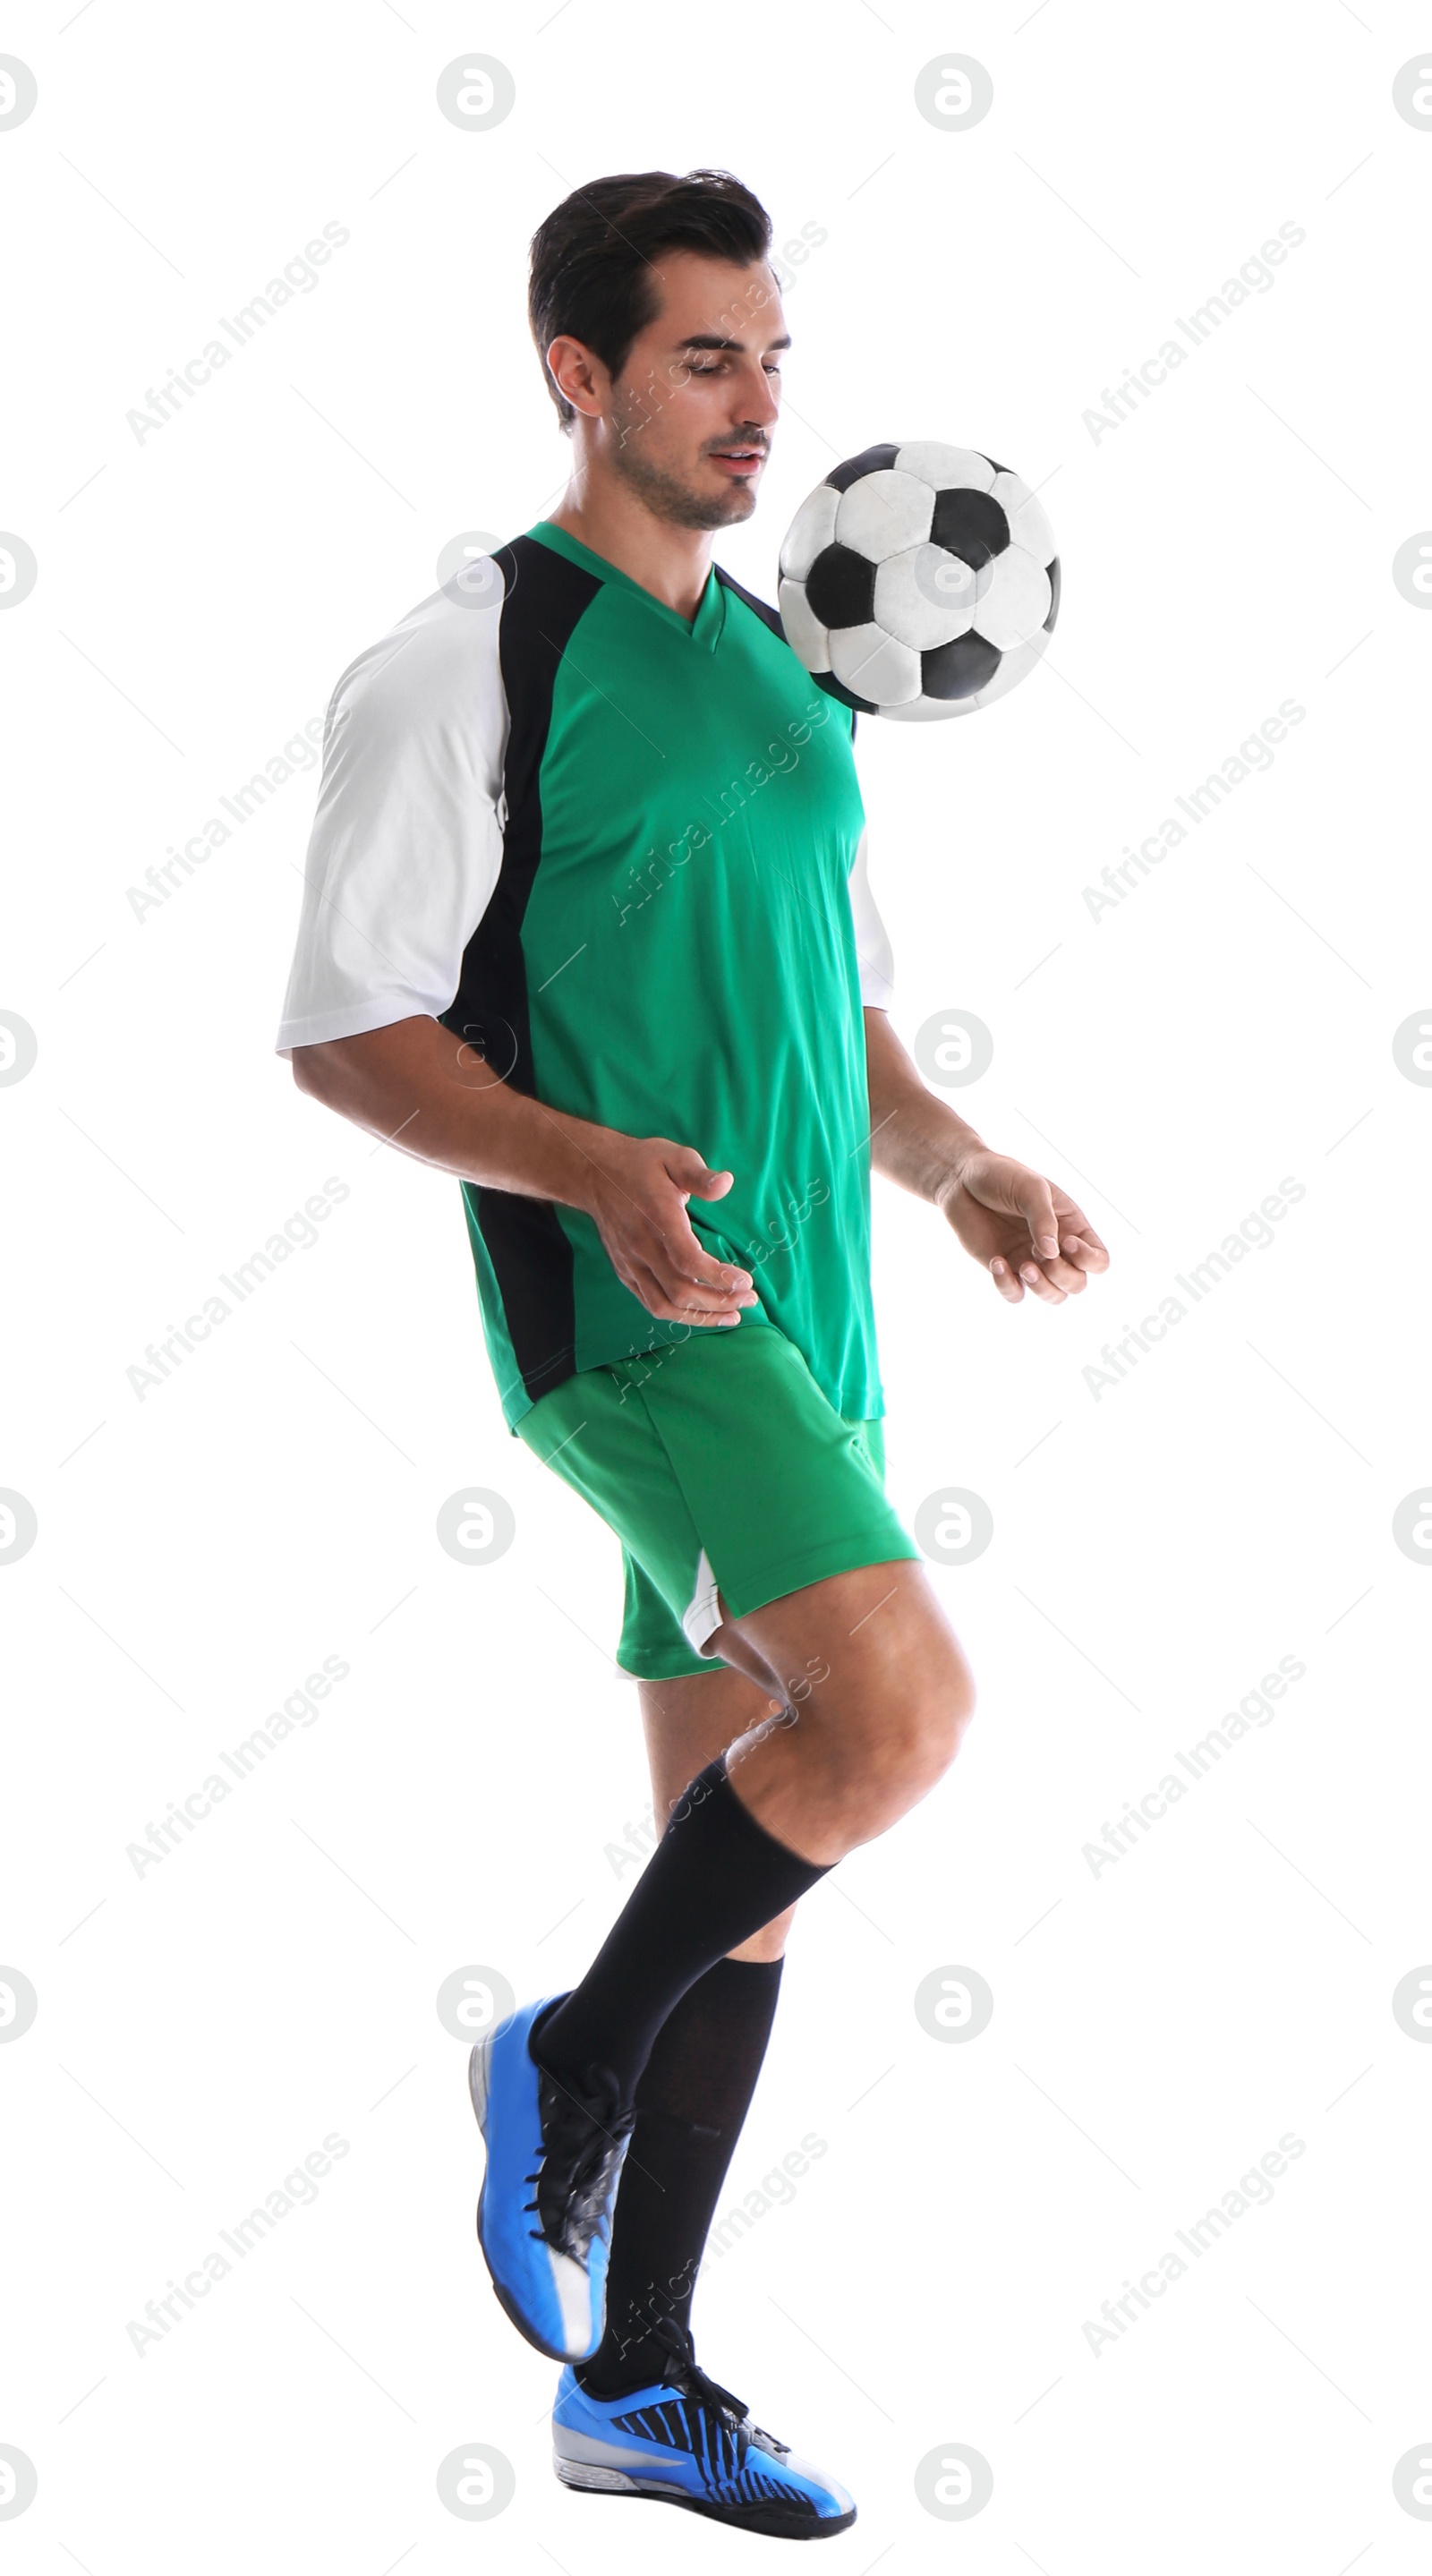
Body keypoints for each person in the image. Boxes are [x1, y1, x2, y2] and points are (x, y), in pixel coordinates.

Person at [277, 166, 1108, 2541]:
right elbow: (348, 1031)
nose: (760, 408)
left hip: (806, 1322)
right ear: (581, 376)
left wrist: (953, 1167)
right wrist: (596, 1174)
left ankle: (633, 2380)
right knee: (899, 1719)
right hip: (627, 1316)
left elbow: (814, 995)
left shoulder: (779, 655)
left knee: (741, 1858)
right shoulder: (468, 665)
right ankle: (564, 2059)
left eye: (773, 359)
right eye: (706, 360)